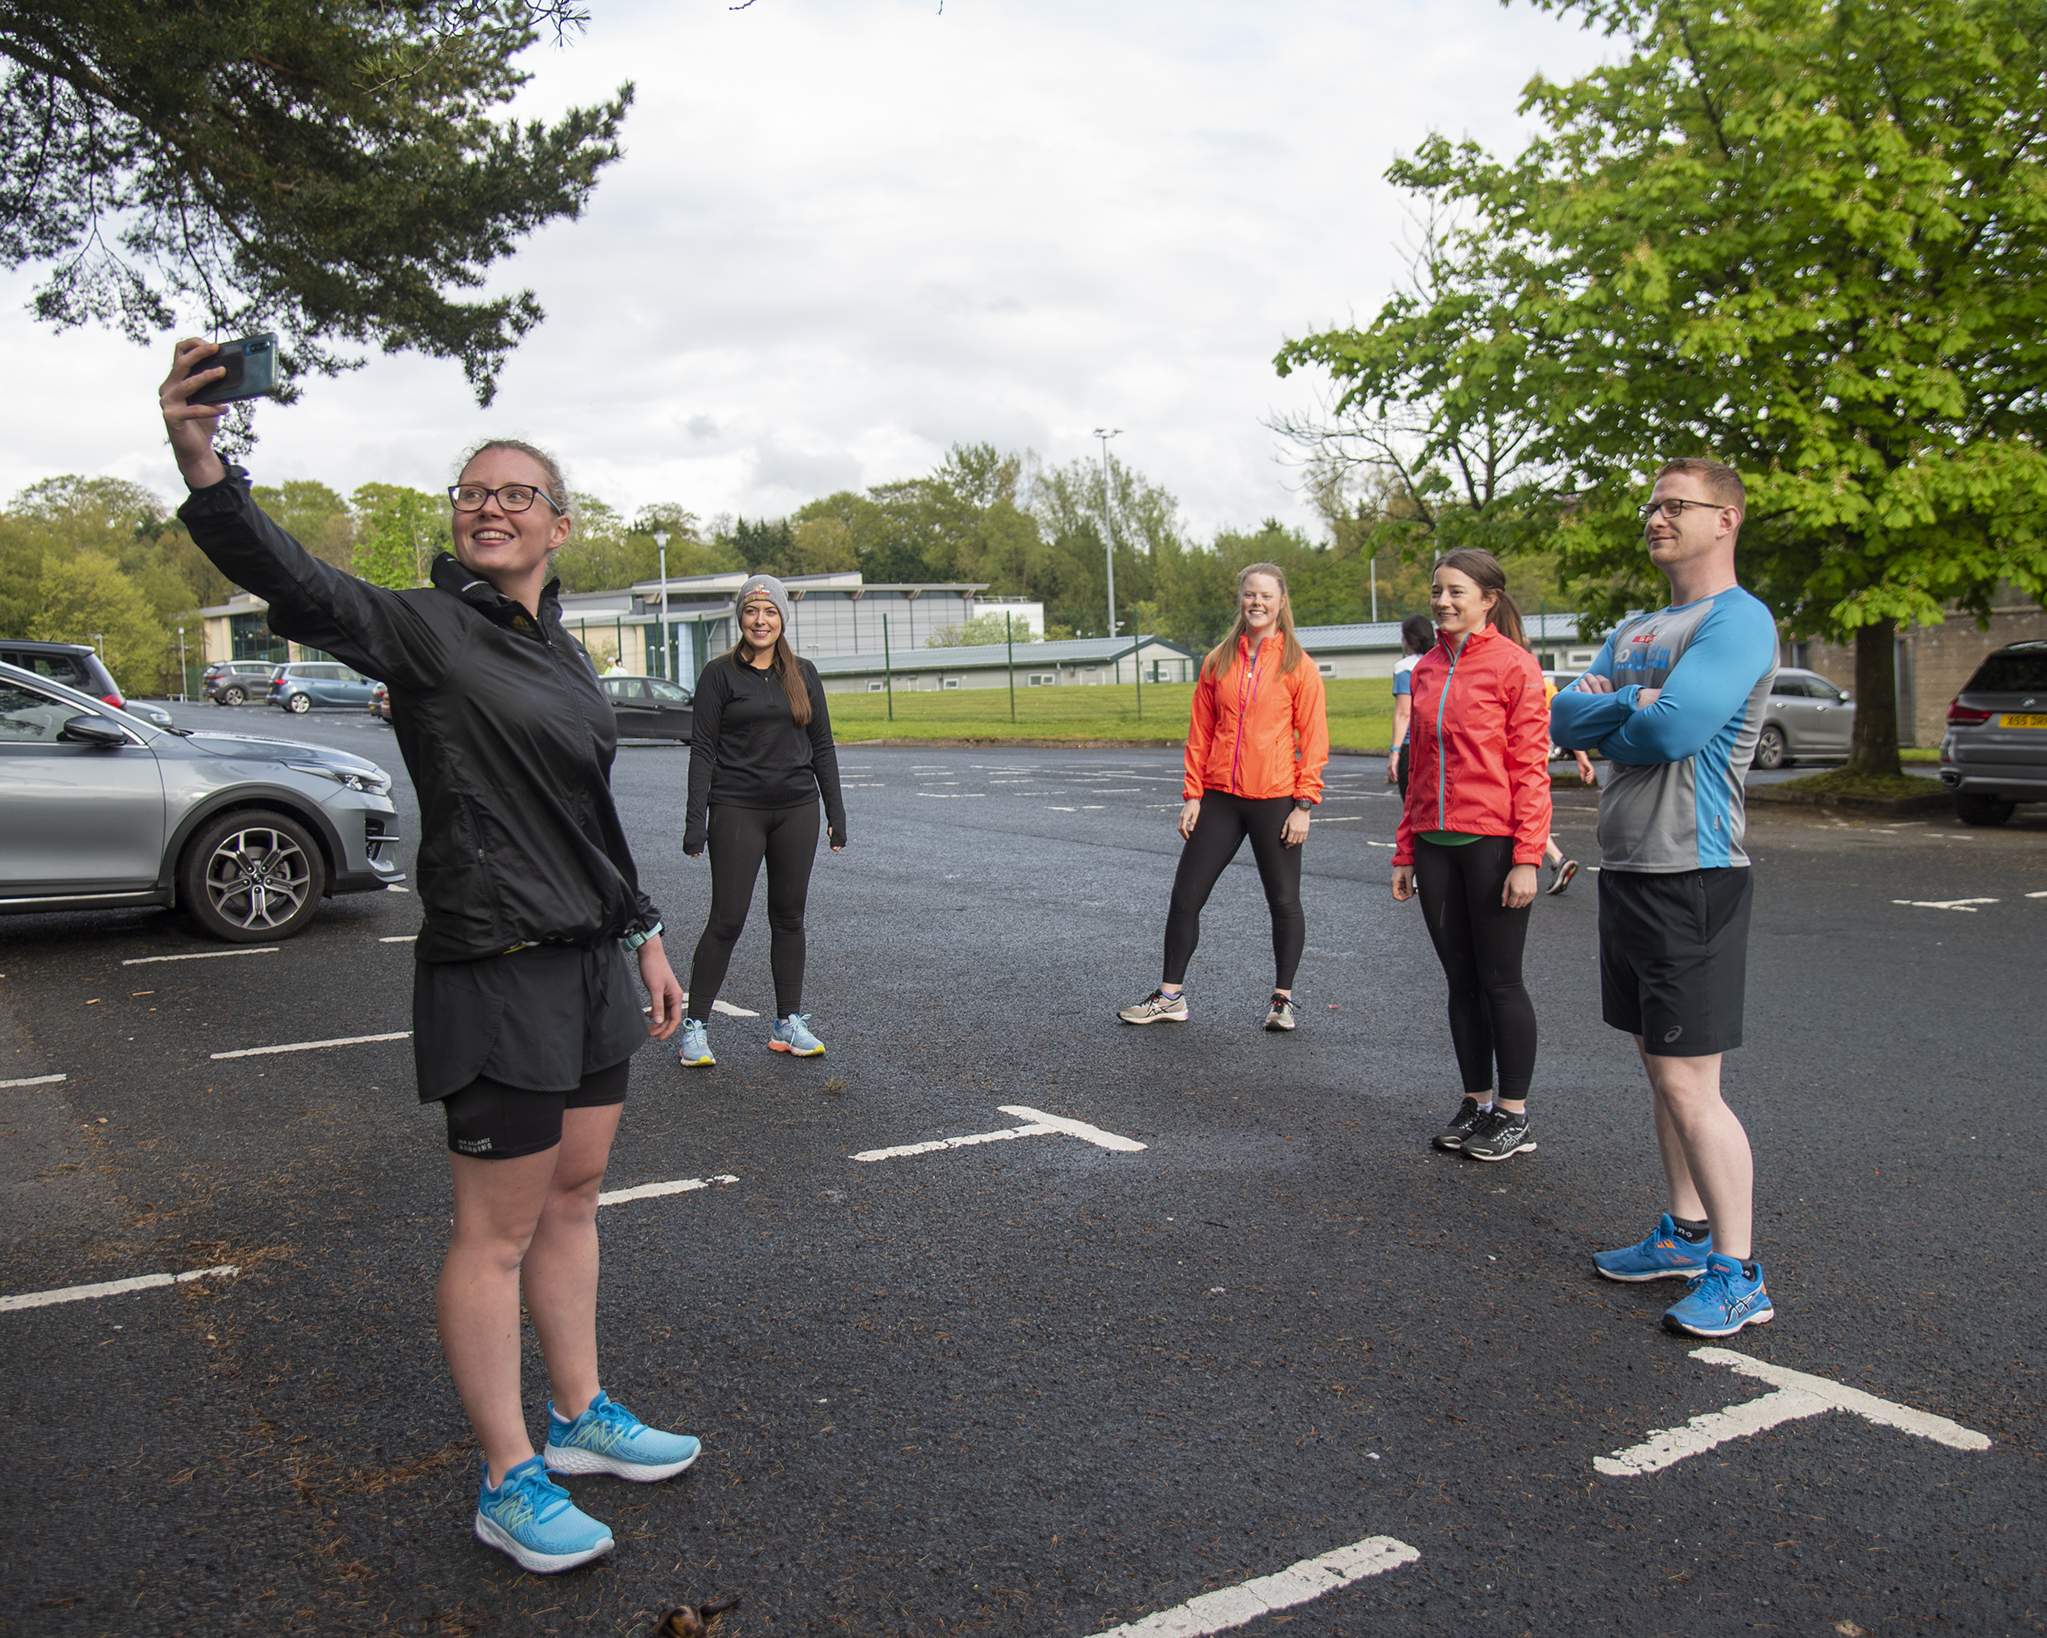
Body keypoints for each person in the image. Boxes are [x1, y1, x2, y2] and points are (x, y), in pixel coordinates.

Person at [161, 339, 697, 1576]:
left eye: (518, 492)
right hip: (492, 964)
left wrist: (646, 932)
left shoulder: (564, 654)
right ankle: (509, 1479)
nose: (491, 505)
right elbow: (292, 581)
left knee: (575, 1197)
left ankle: (579, 1421)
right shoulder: (422, 634)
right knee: (494, 1233)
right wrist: (205, 460)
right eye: (474, 491)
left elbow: (588, 814)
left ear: (561, 524)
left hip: (586, 965)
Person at [1551, 457, 1779, 1339]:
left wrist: (1629, 709)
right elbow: (1562, 720)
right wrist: (1628, 705)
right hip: (1633, 872)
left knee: (1691, 1084)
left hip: (1696, 874)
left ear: (1724, 519)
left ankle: (1739, 1272)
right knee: (1658, 1068)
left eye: (1674, 505)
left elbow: (1675, 727)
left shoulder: (1738, 620)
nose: (1654, 517)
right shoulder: (1639, 625)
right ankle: (1684, 1235)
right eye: (1649, 504)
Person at [1391, 549, 1553, 1162]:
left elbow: (1531, 770)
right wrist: (1405, 851)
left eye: (1456, 591)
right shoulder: (1427, 667)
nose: (1443, 601)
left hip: (1493, 844)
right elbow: (1417, 770)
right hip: (1434, 846)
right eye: (1437, 590)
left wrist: (1528, 857)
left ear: (1488, 599)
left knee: (1500, 982)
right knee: (1461, 981)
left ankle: (1514, 1114)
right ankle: (1477, 1101)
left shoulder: (1515, 668)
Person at [1119, 563, 1328, 1032]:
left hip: (1276, 798)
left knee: (1284, 901)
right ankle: (1170, 996)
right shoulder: (1218, 661)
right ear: (1241, 599)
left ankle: (1282, 1001)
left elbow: (1314, 739)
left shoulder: (1299, 666)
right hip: (1220, 798)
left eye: (1266, 597)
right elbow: (1201, 731)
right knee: (1185, 895)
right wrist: (1192, 795)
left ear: (1280, 603)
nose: (1257, 603)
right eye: (1250, 595)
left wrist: (1304, 804)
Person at [677, 574, 846, 1067]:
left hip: (796, 808)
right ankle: (696, 1027)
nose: (760, 620)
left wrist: (835, 812)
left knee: (790, 917)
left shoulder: (805, 674)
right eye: (752, 611)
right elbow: (703, 751)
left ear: (782, 619)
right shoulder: (719, 675)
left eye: (770, 612)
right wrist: (696, 820)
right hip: (737, 808)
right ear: (740, 618)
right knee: (727, 919)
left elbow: (822, 746)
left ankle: (786, 1023)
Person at [1539, 671, 1595, 896]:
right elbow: (1564, 722)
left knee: (1518, 817)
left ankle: (1557, 859)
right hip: (1537, 763)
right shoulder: (1545, 686)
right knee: (1526, 817)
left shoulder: (1513, 679)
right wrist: (1582, 758)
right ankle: (1556, 860)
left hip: (1514, 764)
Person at [1386, 614, 1434, 798]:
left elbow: (1404, 713)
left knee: (1410, 803)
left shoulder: (1404, 667)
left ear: (1407, 639)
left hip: (1411, 744)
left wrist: (1394, 752)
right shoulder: (1441, 661)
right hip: (1436, 741)